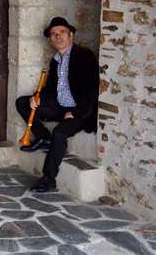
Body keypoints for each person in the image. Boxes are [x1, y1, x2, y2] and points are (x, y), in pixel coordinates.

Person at [15, 16, 99, 193]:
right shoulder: (56, 60)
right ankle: (43, 136)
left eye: (62, 32)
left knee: (59, 133)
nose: (58, 37)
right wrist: (37, 97)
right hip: (60, 107)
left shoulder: (84, 55)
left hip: (80, 112)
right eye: (54, 34)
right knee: (23, 103)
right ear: (50, 40)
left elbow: (91, 91)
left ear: (71, 35)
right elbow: (51, 88)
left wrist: (76, 114)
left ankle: (48, 179)